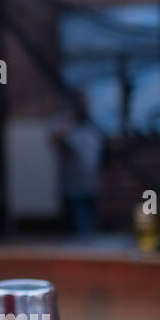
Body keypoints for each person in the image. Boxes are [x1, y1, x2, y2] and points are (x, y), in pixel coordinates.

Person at [50, 90, 105, 237]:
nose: (84, 105)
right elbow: (56, 139)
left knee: (90, 232)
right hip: (72, 189)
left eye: (86, 102)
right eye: (80, 102)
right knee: (78, 234)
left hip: (91, 185)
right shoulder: (62, 122)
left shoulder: (92, 124)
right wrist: (70, 118)